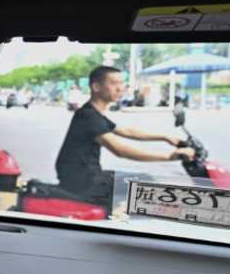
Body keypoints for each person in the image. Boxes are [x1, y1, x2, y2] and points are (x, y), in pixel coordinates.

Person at [55, 65, 194, 207]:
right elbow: (120, 150)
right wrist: (171, 157)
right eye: (114, 83)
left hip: (83, 176)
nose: (120, 88)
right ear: (96, 87)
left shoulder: (92, 112)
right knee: (147, 185)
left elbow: (127, 131)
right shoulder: (89, 116)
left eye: (121, 83)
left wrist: (165, 137)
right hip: (82, 181)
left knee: (142, 183)